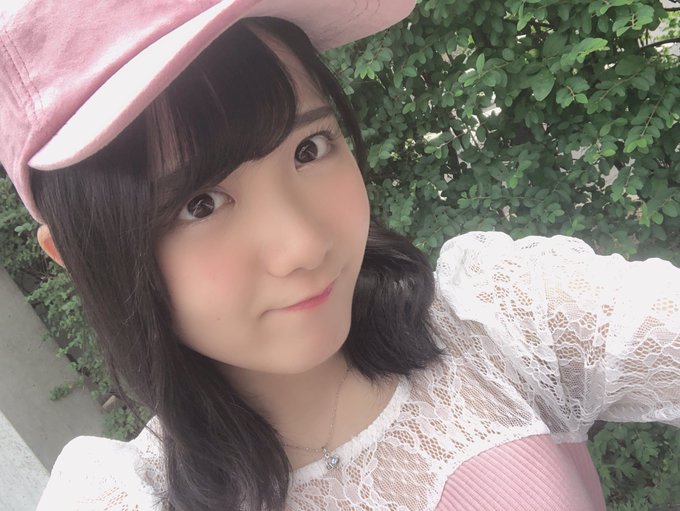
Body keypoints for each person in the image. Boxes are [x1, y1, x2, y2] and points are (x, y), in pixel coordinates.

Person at [1, 1, 678, 510]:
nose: (302, 245)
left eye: (309, 148)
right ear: (76, 257)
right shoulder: (127, 496)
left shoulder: (500, 323)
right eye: (199, 204)